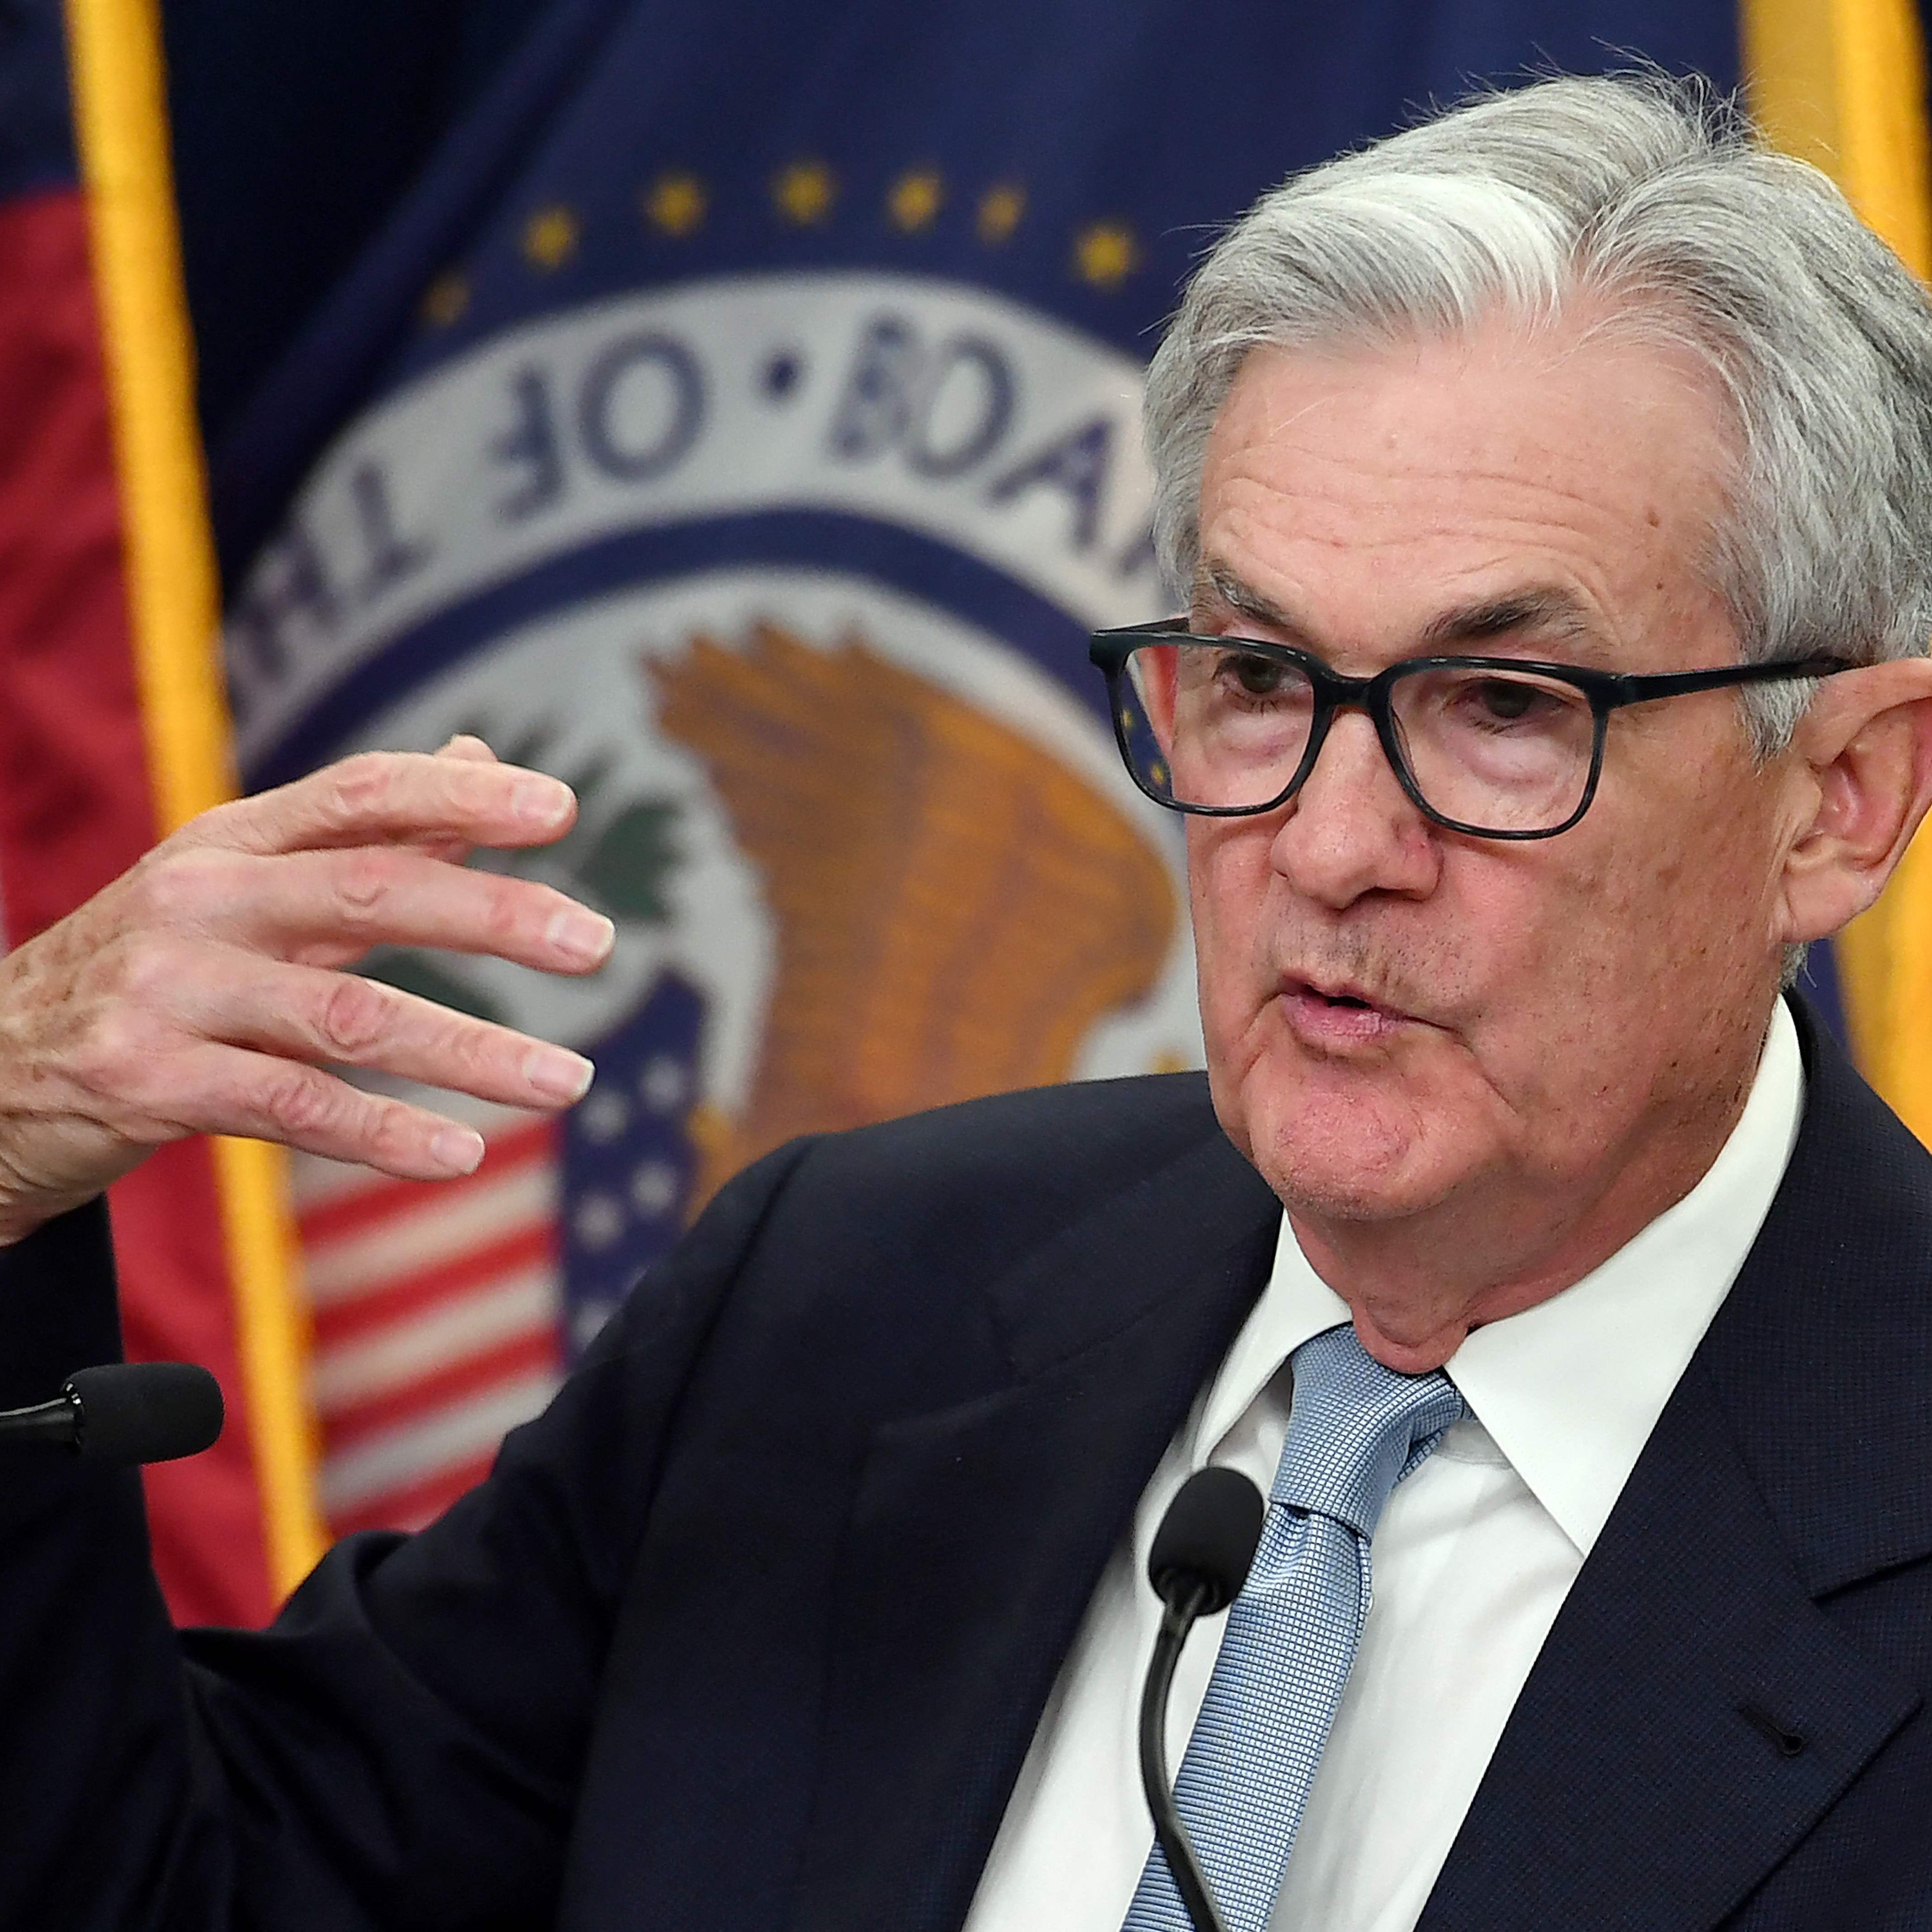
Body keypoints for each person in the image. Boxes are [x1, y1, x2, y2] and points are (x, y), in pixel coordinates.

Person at [5, 71, 1932, 1932]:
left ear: (1839, 803)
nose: (1336, 846)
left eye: (1504, 710)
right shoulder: (846, 1307)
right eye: (1259, 680)